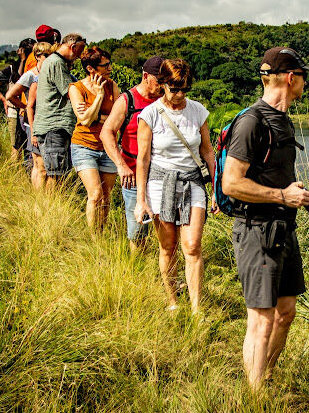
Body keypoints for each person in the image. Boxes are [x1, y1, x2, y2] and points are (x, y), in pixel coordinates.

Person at [221, 46, 309, 390]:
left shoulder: (282, 119)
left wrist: (290, 193)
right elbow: (231, 182)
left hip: (283, 227)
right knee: (260, 321)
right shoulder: (252, 122)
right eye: (302, 76)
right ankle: (255, 397)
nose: (304, 82)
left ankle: (265, 377)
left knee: (286, 311)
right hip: (256, 231)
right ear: (291, 78)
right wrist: (282, 195)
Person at [134, 59, 216, 314]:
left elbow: (207, 151)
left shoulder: (198, 111)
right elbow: (143, 158)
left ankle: (196, 309)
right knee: (168, 247)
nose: (179, 95)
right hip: (160, 184)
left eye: (184, 89)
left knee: (192, 246)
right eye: (173, 88)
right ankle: (172, 302)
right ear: (162, 85)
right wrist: (141, 201)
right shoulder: (150, 115)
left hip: (192, 182)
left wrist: (218, 190)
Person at [100, 56, 165, 252]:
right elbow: (107, 132)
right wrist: (121, 166)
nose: (163, 85)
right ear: (146, 76)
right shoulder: (127, 100)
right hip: (134, 173)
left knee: (166, 230)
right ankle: (137, 272)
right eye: (159, 80)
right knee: (138, 231)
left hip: (161, 173)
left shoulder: (165, 100)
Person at [68, 47, 120, 229]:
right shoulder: (76, 89)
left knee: (106, 197)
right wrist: (98, 96)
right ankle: (93, 239)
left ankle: (101, 233)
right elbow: (84, 120)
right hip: (84, 146)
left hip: (108, 147)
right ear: (91, 68)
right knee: (95, 194)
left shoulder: (112, 86)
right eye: (105, 66)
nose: (110, 69)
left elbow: (119, 117)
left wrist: (97, 117)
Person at [34, 32, 86, 188]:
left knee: (57, 173)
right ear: (72, 46)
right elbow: (68, 91)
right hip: (55, 126)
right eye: (79, 51)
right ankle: (51, 208)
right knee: (56, 175)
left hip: (53, 126)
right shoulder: (57, 63)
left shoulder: (54, 62)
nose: (79, 56)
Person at [6, 41, 55, 188]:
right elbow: (10, 95)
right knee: (38, 163)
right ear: (38, 56)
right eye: (46, 55)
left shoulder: (52, 73)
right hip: (33, 122)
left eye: (51, 55)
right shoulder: (31, 75)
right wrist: (25, 106)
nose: (49, 58)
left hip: (47, 121)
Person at [0, 38, 35, 161]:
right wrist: (4, 100)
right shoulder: (13, 68)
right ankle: (15, 173)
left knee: (28, 146)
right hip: (16, 110)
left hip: (26, 110)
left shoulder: (32, 66)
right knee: (17, 145)